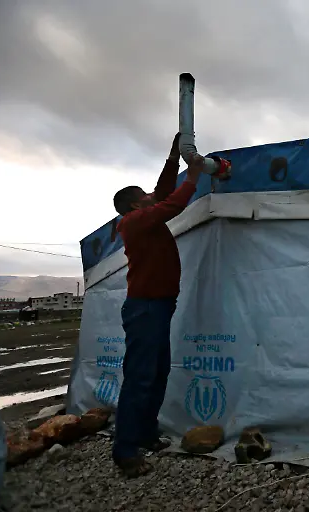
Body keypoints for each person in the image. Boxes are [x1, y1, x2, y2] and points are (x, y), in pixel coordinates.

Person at [110, 133, 201, 477]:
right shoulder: (133, 222)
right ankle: (125, 451)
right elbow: (171, 204)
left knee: (157, 373)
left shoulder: (142, 218)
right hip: (145, 309)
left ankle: (146, 433)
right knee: (140, 378)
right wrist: (192, 176)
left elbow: (162, 193)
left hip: (158, 307)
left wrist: (173, 157)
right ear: (136, 206)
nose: (152, 196)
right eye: (145, 196)